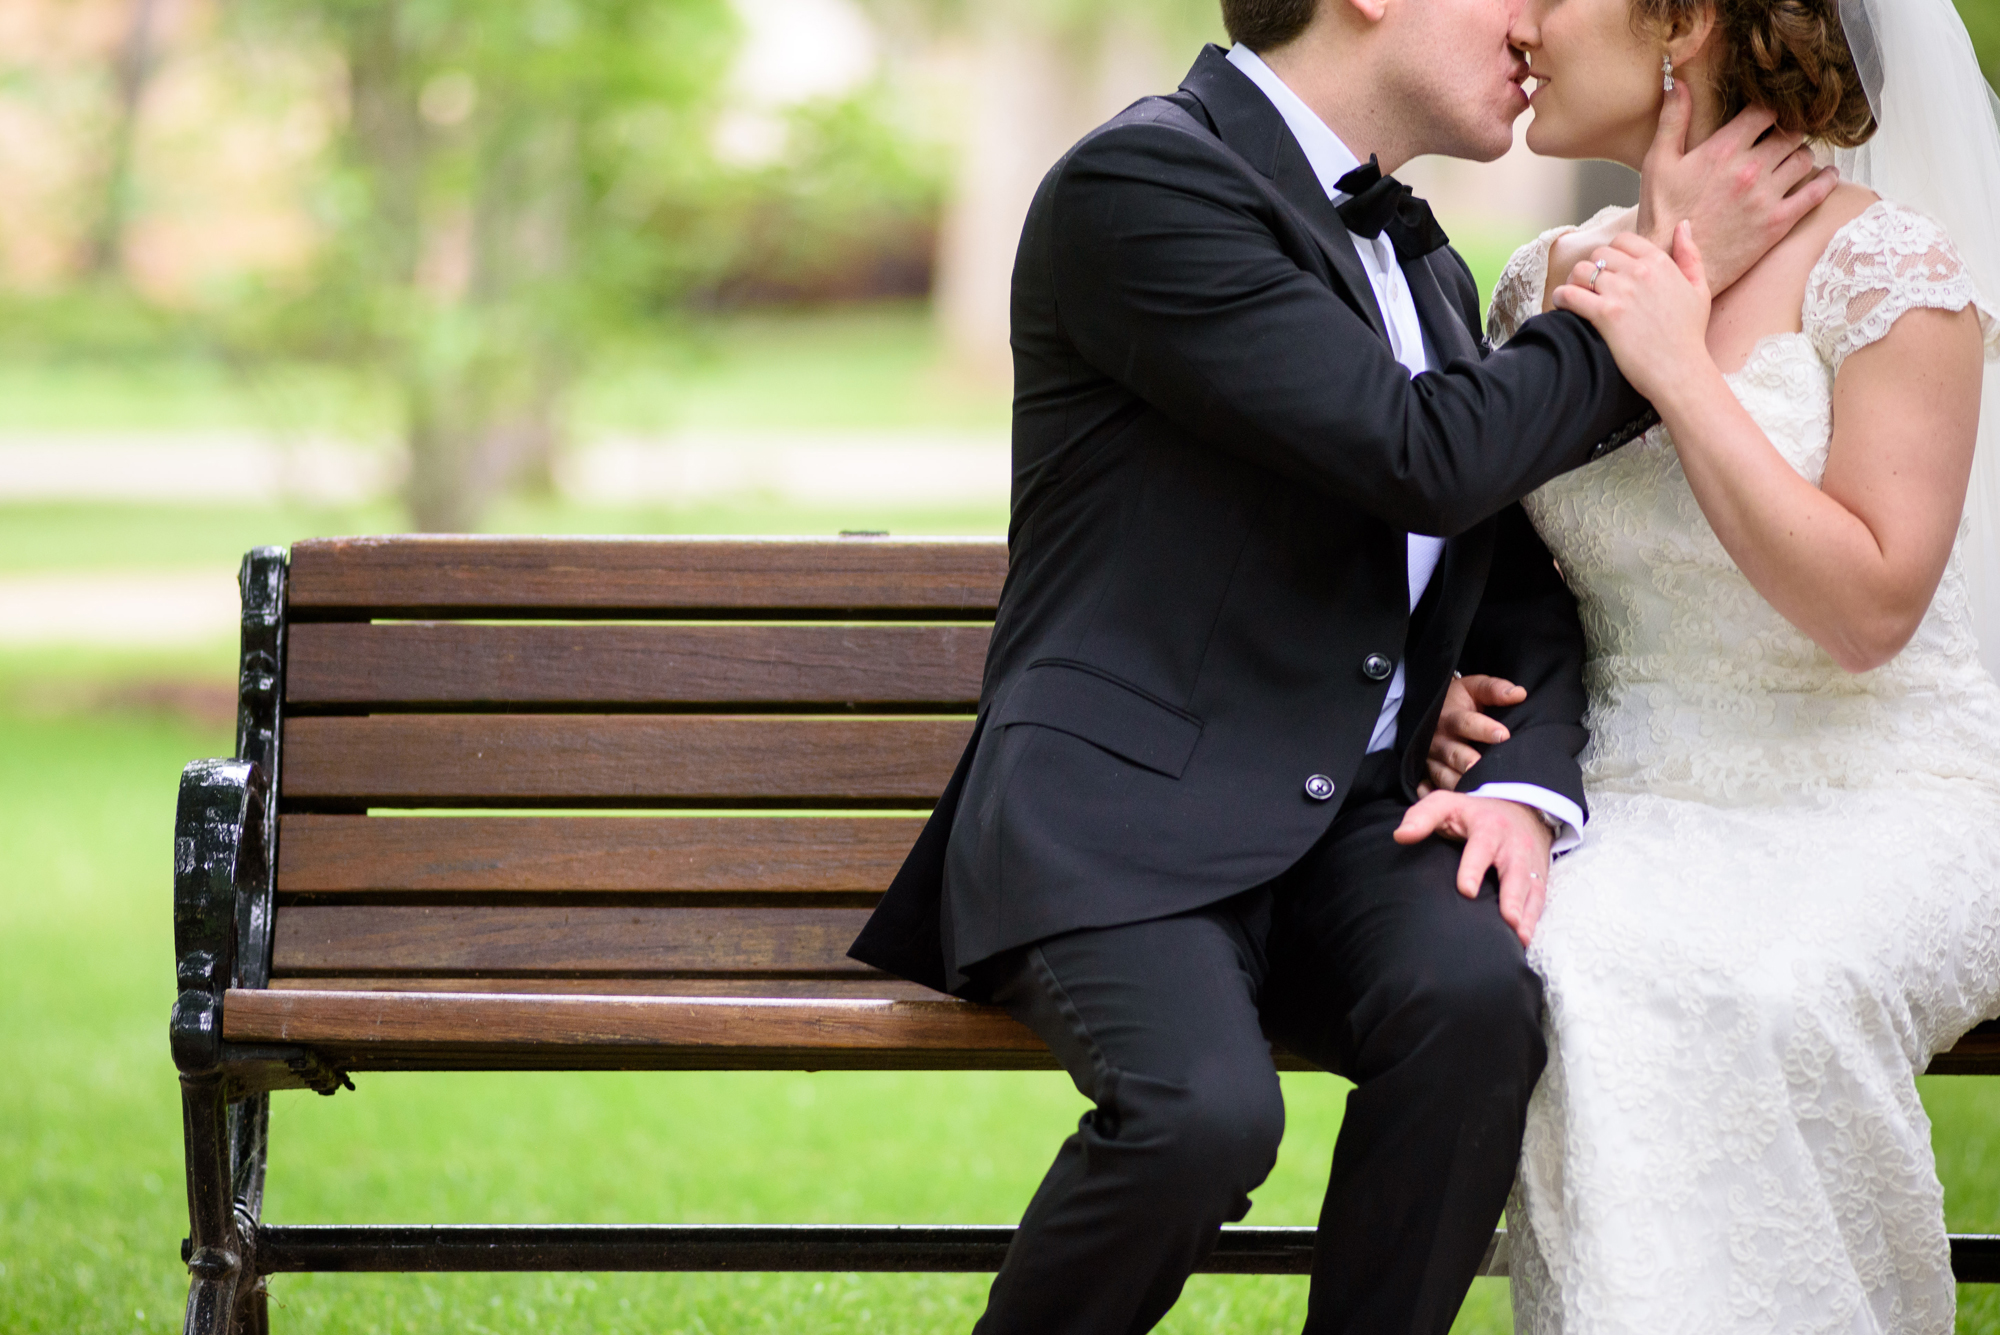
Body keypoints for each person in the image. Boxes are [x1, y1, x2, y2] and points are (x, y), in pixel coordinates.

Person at [846, 0, 1832, 1329]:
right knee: (1202, 1116)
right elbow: (1424, 457)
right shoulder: (1144, 183)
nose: (1534, 16)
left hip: (1344, 825)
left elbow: (1520, 582)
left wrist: (1518, 785)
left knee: (1478, 1003)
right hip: (1120, 822)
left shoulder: (1414, 257)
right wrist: (1657, 282)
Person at [1422, 0, 2000, 1325]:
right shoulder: (1541, 282)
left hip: (1877, 788)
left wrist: (1677, 369)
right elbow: (1500, 572)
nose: (1520, 21)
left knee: (1771, 983)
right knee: (1562, 968)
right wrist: (1444, 681)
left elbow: (1870, 613)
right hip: (1629, 795)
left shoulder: (1892, 272)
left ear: (1682, 23)